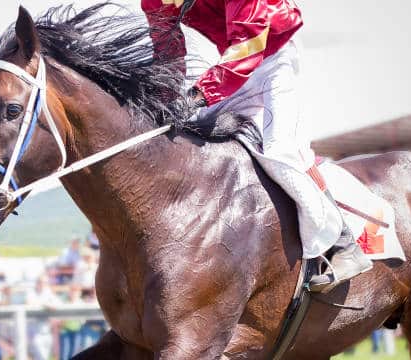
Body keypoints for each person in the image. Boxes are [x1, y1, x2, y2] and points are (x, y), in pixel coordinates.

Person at [141, 0, 372, 292]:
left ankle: (344, 244)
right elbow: (167, 51)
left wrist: (199, 94)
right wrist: (166, 99)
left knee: (280, 149)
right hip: (234, 64)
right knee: (190, 133)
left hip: (275, 57)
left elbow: (249, 45)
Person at [27, 274, 62, 360]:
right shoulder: (31, 293)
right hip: (35, 333)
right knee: (41, 357)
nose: (43, 284)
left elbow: (58, 304)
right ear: (37, 283)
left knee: (45, 357)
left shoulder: (48, 292)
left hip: (47, 332)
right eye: (41, 282)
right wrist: (45, 304)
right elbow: (29, 303)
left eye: (45, 282)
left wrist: (47, 305)